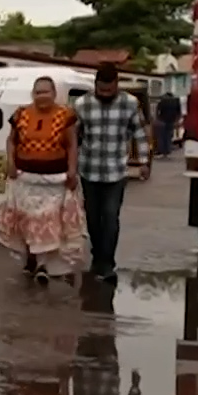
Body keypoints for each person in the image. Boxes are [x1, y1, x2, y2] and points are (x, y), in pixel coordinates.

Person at [0, 76, 87, 284]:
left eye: (45, 92)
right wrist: (10, 162)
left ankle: (44, 264)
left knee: (49, 224)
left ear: (54, 94)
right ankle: (31, 259)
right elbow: (11, 141)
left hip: (55, 181)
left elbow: (72, 145)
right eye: (38, 92)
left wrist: (72, 171)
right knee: (27, 223)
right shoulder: (21, 114)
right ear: (32, 94)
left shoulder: (66, 116)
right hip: (25, 179)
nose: (41, 96)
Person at [75, 63, 150, 283]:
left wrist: (144, 161)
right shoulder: (82, 104)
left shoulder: (129, 104)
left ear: (117, 85)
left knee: (110, 217)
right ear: (96, 85)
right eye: (101, 90)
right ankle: (97, 256)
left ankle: (107, 264)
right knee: (92, 218)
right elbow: (73, 135)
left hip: (116, 171)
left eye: (109, 90)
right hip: (89, 170)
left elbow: (139, 133)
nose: (105, 93)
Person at [154, 90, 182, 159]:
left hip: (162, 121)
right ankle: (167, 152)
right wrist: (177, 120)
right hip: (171, 121)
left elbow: (158, 110)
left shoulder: (162, 101)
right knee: (168, 137)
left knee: (161, 137)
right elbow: (179, 112)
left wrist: (157, 118)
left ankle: (162, 152)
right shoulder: (176, 101)